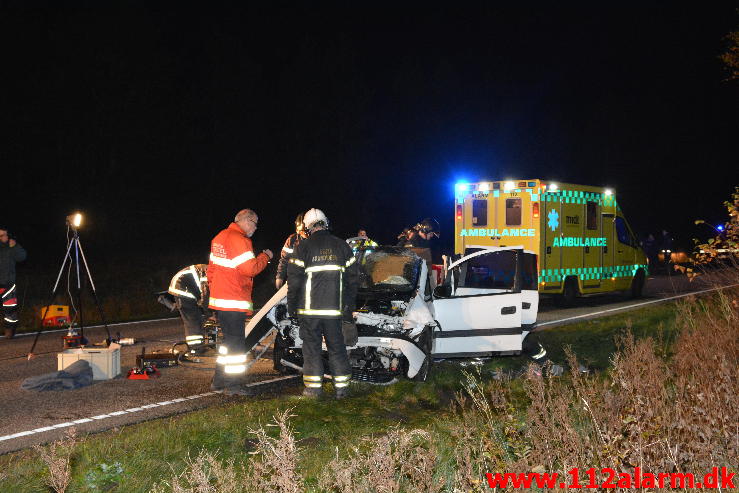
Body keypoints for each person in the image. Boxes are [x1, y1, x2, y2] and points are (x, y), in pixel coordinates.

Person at [287, 208, 358, 399]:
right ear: (326, 223)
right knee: (337, 348)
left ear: (308, 227)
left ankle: (313, 390)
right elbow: (353, 280)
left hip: (309, 312)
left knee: (311, 350)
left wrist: (292, 308)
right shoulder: (342, 246)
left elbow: (293, 282)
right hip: (335, 312)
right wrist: (348, 307)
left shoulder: (302, 248)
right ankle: (342, 389)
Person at [208, 209, 273, 394]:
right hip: (233, 299)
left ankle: (219, 381)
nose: (255, 227)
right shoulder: (240, 239)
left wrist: (216, 293)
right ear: (246, 220)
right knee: (236, 345)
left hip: (221, 300)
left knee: (228, 343)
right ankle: (234, 385)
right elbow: (250, 269)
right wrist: (265, 257)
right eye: (255, 223)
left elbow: (211, 271)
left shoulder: (219, 237)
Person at [168, 264, 210, 356]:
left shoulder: (211, 271)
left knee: (197, 318)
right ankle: (195, 349)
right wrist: (209, 314)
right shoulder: (210, 273)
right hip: (181, 288)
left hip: (186, 287)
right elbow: (206, 295)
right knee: (192, 320)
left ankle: (198, 347)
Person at [0, 227, 26, 339]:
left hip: (8, 283)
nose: (2, 237)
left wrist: (14, 247)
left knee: (9, 309)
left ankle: (10, 329)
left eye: (4, 234)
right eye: (0, 235)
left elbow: (22, 257)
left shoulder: (12, 245)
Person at [275, 213, 308, 290]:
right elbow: (284, 260)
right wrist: (279, 277)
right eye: (300, 231)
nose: (302, 234)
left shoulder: (315, 241)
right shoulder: (292, 240)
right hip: (294, 282)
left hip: (312, 281)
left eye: (304, 231)